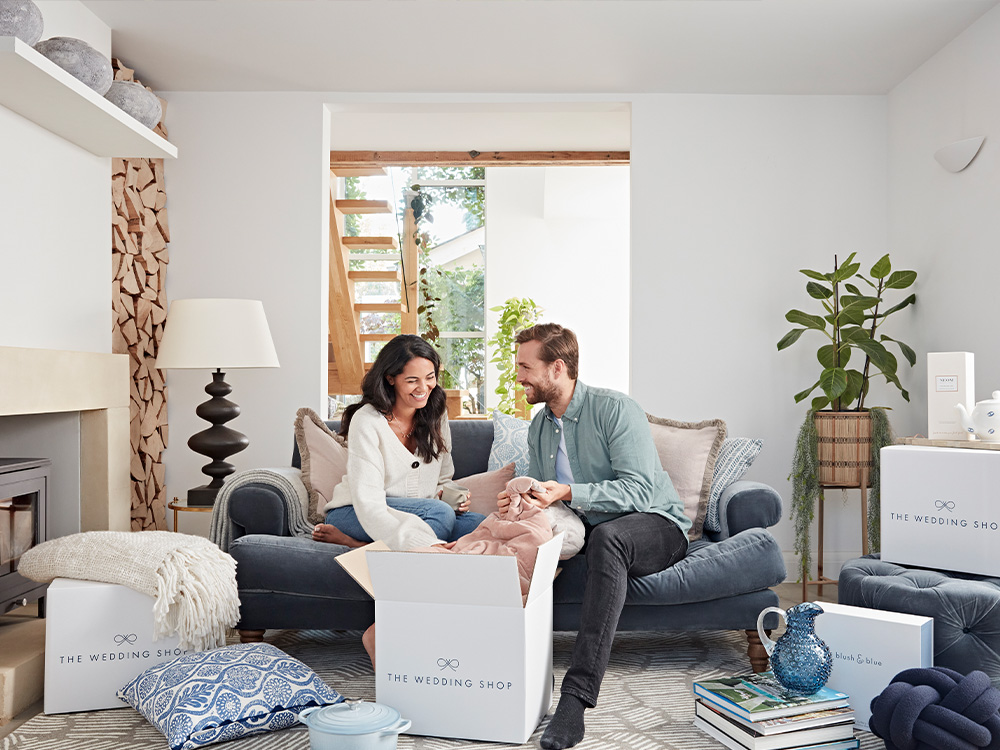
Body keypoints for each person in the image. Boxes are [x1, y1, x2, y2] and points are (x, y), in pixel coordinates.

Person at [504, 323, 691, 750]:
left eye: (525, 367)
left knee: (609, 537)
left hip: (655, 523)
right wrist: (524, 503)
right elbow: (550, 499)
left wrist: (570, 491)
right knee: (519, 536)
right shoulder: (539, 426)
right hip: (591, 526)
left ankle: (575, 700)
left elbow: (641, 490)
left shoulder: (615, 410)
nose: (519, 376)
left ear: (557, 367)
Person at [312, 334, 486, 550]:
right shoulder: (367, 420)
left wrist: (449, 496)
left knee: (480, 526)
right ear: (390, 378)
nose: (423, 388)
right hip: (356, 511)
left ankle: (367, 546)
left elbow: (443, 479)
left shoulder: (436, 413)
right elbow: (368, 503)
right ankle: (366, 546)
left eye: (429, 377)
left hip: (420, 512)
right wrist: (437, 512)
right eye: (412, 380)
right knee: (440, 514)